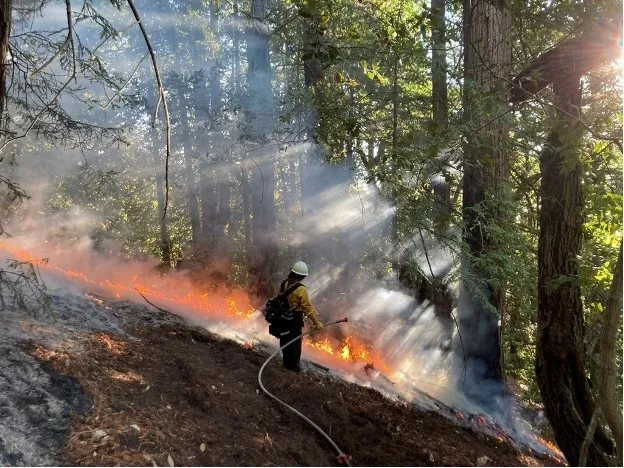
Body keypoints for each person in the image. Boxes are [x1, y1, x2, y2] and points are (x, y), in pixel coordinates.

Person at [278, 261, 323, 372]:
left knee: (285, 341)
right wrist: (316, 322)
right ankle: (293, 370)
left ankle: (285, 366)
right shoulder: (301, 289)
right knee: (295, 345)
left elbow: (279, 299)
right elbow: (307, 308)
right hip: (294, 320)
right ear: (302, 276)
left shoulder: (284, 284)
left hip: (283, 318)